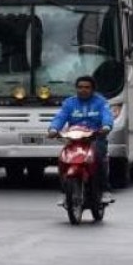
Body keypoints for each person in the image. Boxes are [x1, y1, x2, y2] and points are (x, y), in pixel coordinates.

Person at [48, 75, 114, 203]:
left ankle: (105, 190)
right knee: (63, 158)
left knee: (99, 157)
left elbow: (107, 116)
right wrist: (53, 129)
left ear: (93, 89)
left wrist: (106, 126)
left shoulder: (101, 102)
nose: (83, 90)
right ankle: (64, 192)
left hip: (95, 138)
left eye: (87, 87)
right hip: (74, 139)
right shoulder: (69, 103)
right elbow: (60, 117)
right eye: (80, 87)